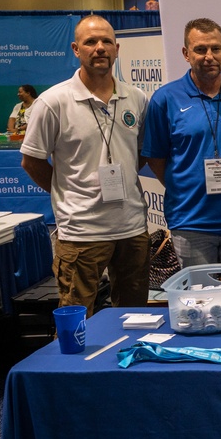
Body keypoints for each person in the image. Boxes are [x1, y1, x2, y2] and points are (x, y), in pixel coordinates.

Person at [20, 16, 149, 315]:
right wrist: (68, 191)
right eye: (91, 42)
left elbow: (139, 154)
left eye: (106, 42)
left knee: (135, 319)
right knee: (77, 323)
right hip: (81, 232)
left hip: (132, 229)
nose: (99, 48)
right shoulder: (53, 102)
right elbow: (32, 161)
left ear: (117, 49)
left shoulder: (137, 98)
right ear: (76, 49)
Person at [142, 18, 221, 267]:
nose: (209, 56)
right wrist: (182, 186)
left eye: (215, 48)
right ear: (186, 54)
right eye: (200, 49)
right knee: (198, 304)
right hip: (191, 223)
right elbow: (155, 157)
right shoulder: (165, 99)